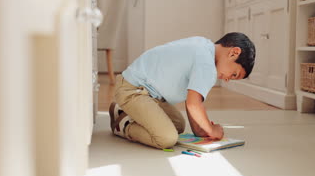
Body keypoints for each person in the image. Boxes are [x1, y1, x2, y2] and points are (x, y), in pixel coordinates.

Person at [109, 32, 256, 150]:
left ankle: (121, 110)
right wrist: (211, 130)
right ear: (234, 52)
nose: (228, 79)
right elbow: (194, 104)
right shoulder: (207, 64)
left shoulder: (203, 45)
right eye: (234, 74)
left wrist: (199, 131)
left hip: (150, 94)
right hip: (133, 90)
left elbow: (191, 98)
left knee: (178, 125)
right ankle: (123, 125)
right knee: (167, 138)